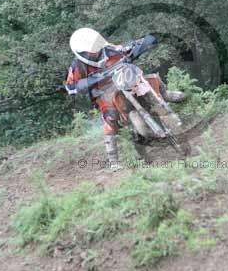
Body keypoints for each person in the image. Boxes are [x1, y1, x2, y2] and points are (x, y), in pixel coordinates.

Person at [64, 28, 186, 171]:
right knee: (111, 117)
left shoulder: (108, 49)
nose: (94, 52)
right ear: (81, 53)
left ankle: (165, 95)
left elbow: (125, 48)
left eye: (95, 47)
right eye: (90, 51)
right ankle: (113, 160)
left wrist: (140, 44)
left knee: (150, 79)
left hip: (124, 80)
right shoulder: (78, 66)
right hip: (105, 92)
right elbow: (70, 87)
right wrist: (88, 82)